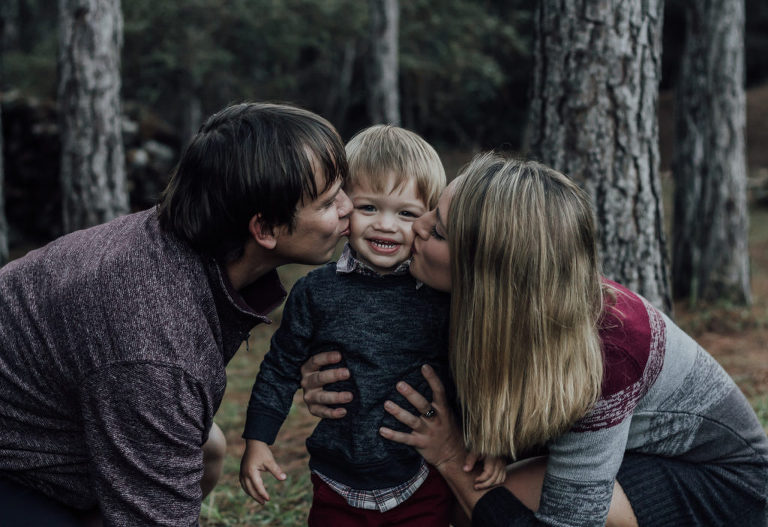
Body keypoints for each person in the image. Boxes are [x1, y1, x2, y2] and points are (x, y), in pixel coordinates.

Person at [303, 153, 768, 526]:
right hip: (623, 454)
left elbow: (567, 522)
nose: (417, 227)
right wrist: (328, 372)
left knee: (485, 492)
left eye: (438, 231)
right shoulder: (488, 300)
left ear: (486, 271)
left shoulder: (606, 349)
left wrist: (449, 455)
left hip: (720, 485)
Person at [0, 102, 353, 526]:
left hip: (52, 430)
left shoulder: (176, 241)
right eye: (330, 201)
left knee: (207, 448)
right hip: (15, 463)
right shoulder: (155, 340)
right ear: (264, 230)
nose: (350, 207)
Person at [240, 125, 505, 526]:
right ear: (344, 207)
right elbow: (280, 366)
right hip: (336, 475)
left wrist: (490, 441)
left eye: (406, 213)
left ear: (427, 218)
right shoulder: (316, 292)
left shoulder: (441, 296)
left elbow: (475, 371)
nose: (385, 225)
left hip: (421, 476)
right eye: (369, 208)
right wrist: (258, 439)